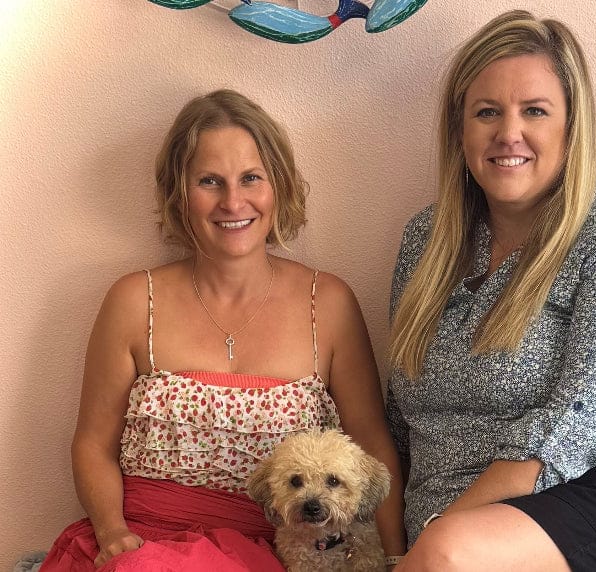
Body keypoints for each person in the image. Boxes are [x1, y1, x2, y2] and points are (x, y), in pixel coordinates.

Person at [385, 10, 596, 572]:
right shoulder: (427, 239)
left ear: (571, 125)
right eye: (486, 112)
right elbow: (402, 417)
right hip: (460, 526)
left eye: (534, 111)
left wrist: (431, 544)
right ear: (459, 130)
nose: (508, 133)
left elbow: (578, 423)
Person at [40, 89, 406, 571]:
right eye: (210, 181)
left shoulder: (329, 303)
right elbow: (92, 443)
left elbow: (371, 444)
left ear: (278, 187)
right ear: (179, 192)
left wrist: (397, 555)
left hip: (279, 548)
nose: (233, 202)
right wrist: (112, 534)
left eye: (251, 178)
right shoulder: (132, 300)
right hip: (142, 546)